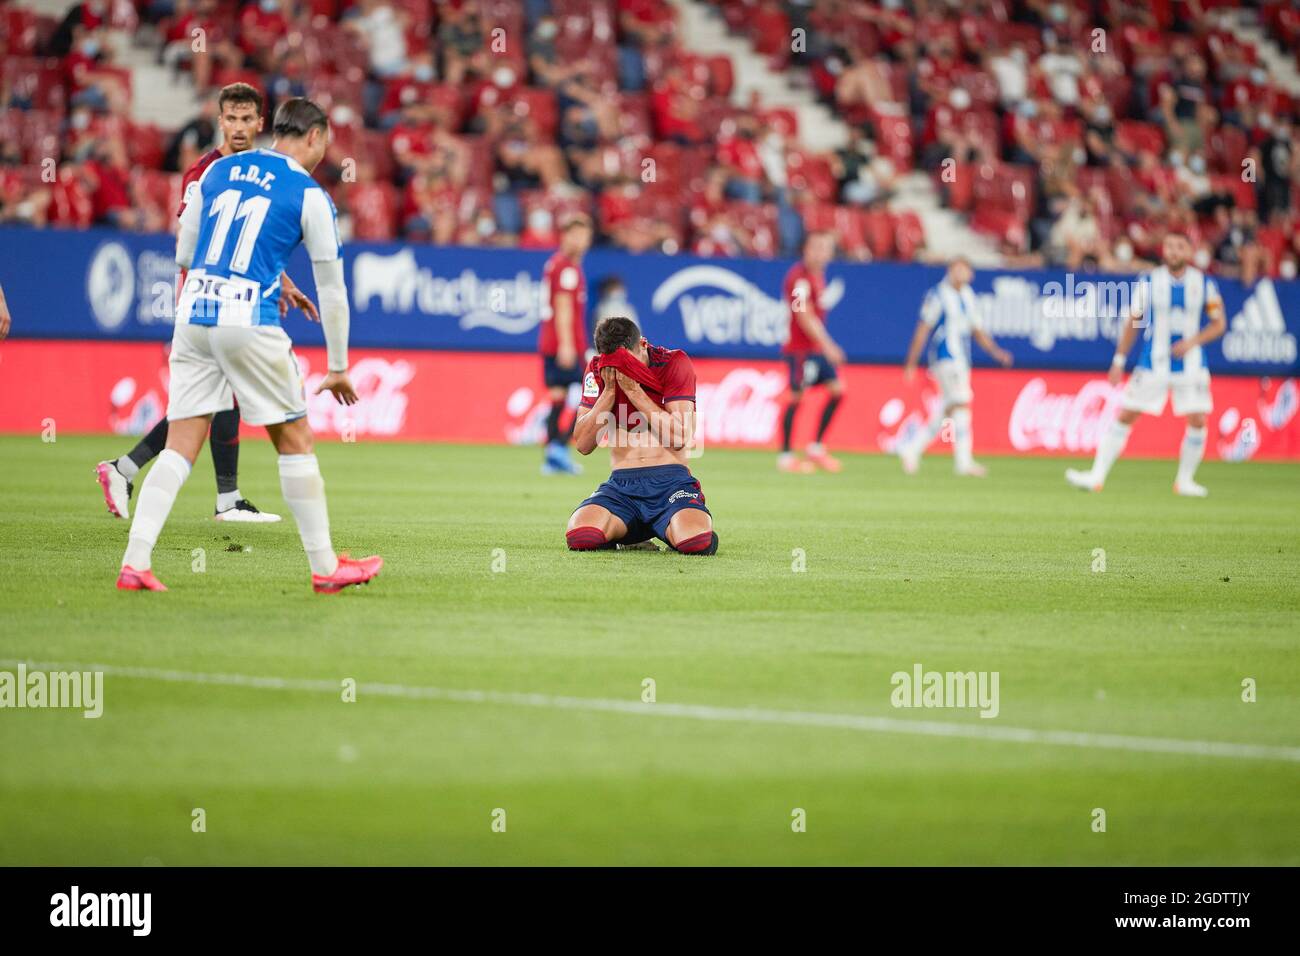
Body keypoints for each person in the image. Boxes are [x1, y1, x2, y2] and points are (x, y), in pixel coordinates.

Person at [116, 97, 382, 593]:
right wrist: (339, 365)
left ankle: (135, 563)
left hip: (193, 313)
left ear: (271, 129)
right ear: (316, 137)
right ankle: (326, 569)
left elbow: (184, 252)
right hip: (247, 317)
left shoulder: (219, 171)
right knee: (296, 441)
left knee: (179, 446)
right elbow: (332, 289)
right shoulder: (308, 193)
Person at [96, 83, 318, 523]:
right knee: (209, 401)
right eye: (230, 119)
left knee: (214, 400)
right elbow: (192, 242)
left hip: (234, 297)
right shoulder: (204, 172)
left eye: (245, 119)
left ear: (260, 122)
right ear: (220, 121)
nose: (237, 128)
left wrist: (284, 281)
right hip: (205, 299)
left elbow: (248, 242)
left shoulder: (257, 169)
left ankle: (141, 474)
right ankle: (211, 494)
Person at [1066, 232, 1226, 496]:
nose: (1174, 251)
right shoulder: (1150, 281)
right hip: (1154, 363)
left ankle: (1184, 481)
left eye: (1180, 246)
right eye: (1170, 246)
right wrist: (1118, 360)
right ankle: (1096, 476)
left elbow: (1219, 324)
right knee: (1127, 414)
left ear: (1188, 251)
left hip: (1192, 365)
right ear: (1163, 250)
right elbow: (1133, 322)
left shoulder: (1203, 283)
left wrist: (1192, 342)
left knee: (1197, 419)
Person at [565, 316, 717, 555]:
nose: (625, 370)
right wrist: (611, 390)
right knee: (582, 536)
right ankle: (631, 533)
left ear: (643, 345)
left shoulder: (674, 363)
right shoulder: (598, 371)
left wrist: (633, 389)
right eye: (618, 365)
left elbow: (679, 437)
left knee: (694, 542)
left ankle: (675, 524)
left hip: (671, 484)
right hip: (621, 487)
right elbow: (583, 444)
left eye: (629, 363)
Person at [899, 258, 1013, 477]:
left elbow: (977, 330)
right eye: (956, 268)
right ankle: (963, 462)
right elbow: (923, 329)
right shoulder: (938, 295)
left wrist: (996, 352)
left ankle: (912, 449)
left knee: (948, 408)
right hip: (945, 357)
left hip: (962, 359)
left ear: (971, 274)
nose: (960, 273)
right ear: (950, 271)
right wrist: (911, 362)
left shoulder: (968, 296)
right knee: (961, 402)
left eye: (965, 269)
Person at [778, 231, 847, 473]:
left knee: (838, 391)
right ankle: (785, 457)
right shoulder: (799, 278)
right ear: (805, 250)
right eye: (816, 247)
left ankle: (815, 448)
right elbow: (803, 315)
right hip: (800, 350)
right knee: (796, 398)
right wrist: (828, 345)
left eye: (825, 248)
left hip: (814, 349)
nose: (820, 253)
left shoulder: (818, 276)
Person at [537, 214, 593, 475]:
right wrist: (568, 345)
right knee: (586, 399)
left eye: (584, 235)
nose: (580, 241)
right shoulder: (568, 269)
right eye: (575, 235)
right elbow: (563, 308)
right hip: (564, 344)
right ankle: (558, 448)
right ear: (565, 237)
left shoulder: (555, 264)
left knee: (558, 398)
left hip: (550, 342)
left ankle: (552, 457)